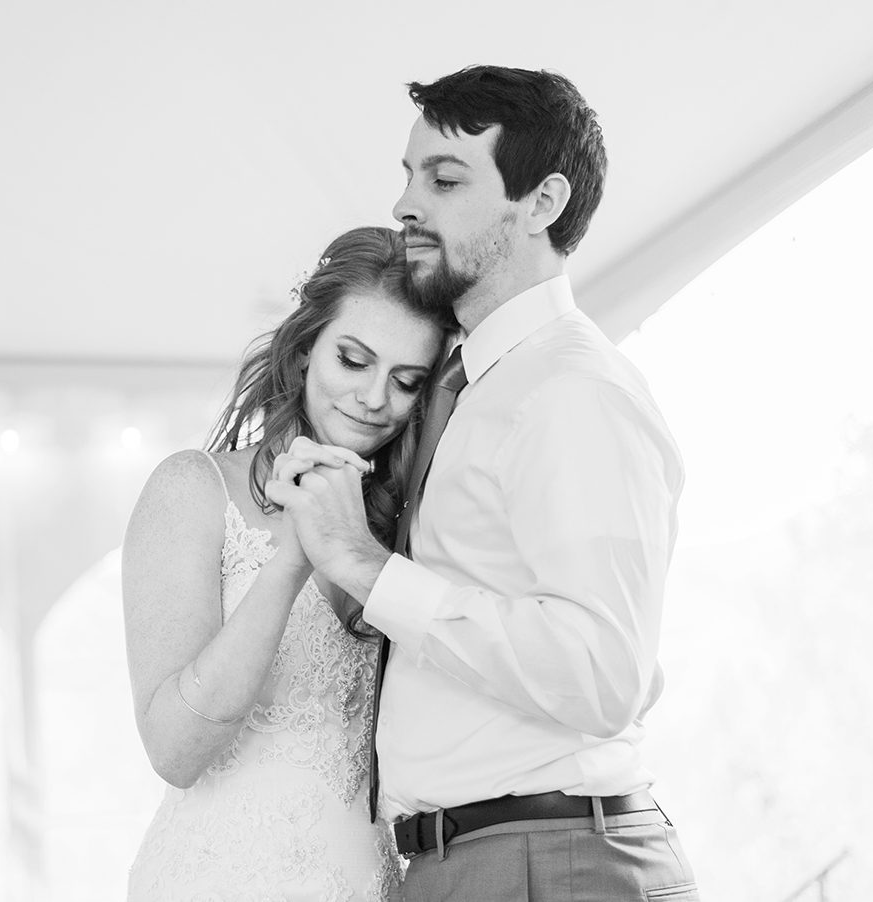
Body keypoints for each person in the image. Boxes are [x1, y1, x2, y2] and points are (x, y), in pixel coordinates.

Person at [265, 67, 700, 901]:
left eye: (445, 178)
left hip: (550, 863)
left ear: (541, 203)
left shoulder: (572, 391)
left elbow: (601, 673)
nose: (405, 205)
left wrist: (365, 566)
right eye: (407, 175)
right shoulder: (467, 384)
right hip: (475, 863)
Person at [123, 225, 456, 901]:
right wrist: (294, 557)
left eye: (405, 380)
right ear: (305, 350)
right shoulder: (192, 489)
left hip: (368, 882)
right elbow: (175, 751)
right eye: (353, 360)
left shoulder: (406, 523)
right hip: (221, 878)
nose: (373, 398)